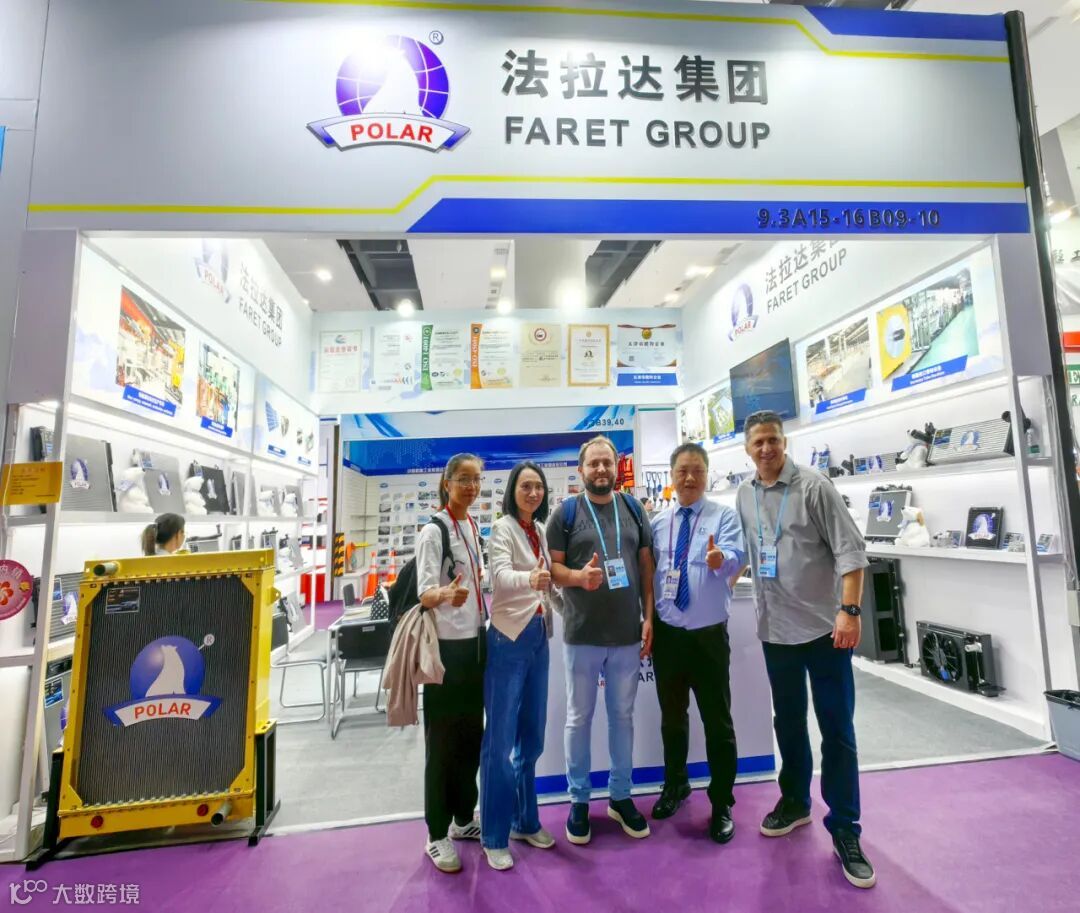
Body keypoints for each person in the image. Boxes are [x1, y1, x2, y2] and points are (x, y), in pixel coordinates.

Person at [735, 411, 875, 889]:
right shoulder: (744, 493)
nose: (766, 449)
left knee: (836, 728)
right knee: (789, 723)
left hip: (824, 631)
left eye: (773, 440)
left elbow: (851, 553)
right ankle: (795, 801)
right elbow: (749, 552)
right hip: (776, 630)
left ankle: (845, 827)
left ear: (784, 442)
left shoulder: (814, 487)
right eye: (758, 442)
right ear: (747, 448)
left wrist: (849, 612)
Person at [547, 436, 655, 846]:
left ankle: (620, 796)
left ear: (616, 466)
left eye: (607, 462)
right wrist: (579, 577)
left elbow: (645, 567)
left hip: (627, 634)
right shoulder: (565, 514)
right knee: (578, 719)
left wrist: (649, 616)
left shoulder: (634, 509)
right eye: (593, 463)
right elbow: (553, 570)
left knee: (622, 718)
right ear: (581, 470)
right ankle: (578, 800)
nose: (601, 470)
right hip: (582, 635)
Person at [649, 443, 746, 844]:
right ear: (672, 476)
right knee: (672, 719)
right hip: (669, 637)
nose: (689, 478)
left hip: (708, 638)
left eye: (697, 471)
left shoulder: (724, 516)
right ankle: (676, 785)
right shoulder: (658, 522)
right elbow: (651, 575)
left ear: (706, 475)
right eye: (682, 471)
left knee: (717, 722)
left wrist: (721, 560)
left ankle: (722, 802)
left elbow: (737, 557)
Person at [480, 460, 557, 871]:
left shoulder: (539, 530)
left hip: (538, 637)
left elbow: (548, 581)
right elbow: (500, 576)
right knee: (500, 742)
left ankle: (525, 821)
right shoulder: (503, 528)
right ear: (513, 490)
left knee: (532, 738)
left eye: (538, 486)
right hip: (508, 638)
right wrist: (531, 580)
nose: (533, 492)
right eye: (525, 486)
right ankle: (494, 835)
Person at [416, 453, 487, 874]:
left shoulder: (472, 526)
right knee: (442, 744)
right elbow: (425, 593)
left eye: (476, 480)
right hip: (445, 651)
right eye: (463, 479)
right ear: (447, 483)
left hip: (475, 647)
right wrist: (446, 594)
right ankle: (436, 833)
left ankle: (463, 818)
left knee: (469, 738)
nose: (471, 487)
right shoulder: (434, 530)